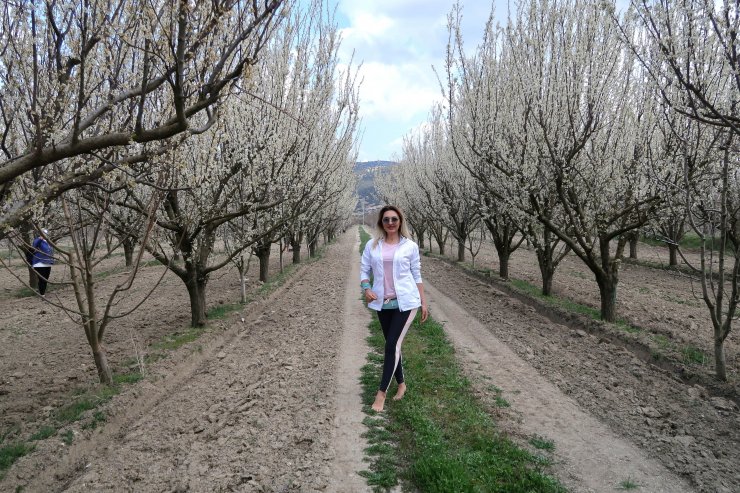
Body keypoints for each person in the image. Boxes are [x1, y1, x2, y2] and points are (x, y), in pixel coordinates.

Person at [360, 205, 428, 412]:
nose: (390, 223)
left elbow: (416, 275)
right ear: (381, 222)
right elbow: (364, 269)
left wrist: (423, 302)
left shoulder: (410, 246)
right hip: (383, 302)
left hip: (406, 302)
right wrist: (366, 287)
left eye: (394, 219)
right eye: (386, 219)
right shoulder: (372, 246)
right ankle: (401, 384)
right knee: (393, 345)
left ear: (400, 222)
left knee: (391, 345)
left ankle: (381, 393)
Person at [30, 229, 54, 297]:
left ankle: (43, 293)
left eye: (46, 233)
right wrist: (40, 238)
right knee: (42, 279)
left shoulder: (47, 242)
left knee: (45, 279)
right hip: (39, 263)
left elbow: (50, 251)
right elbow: (35, 245)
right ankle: (42, 294)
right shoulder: (37, 240)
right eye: (43, 233)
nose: (45, 234)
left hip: (47, 263)